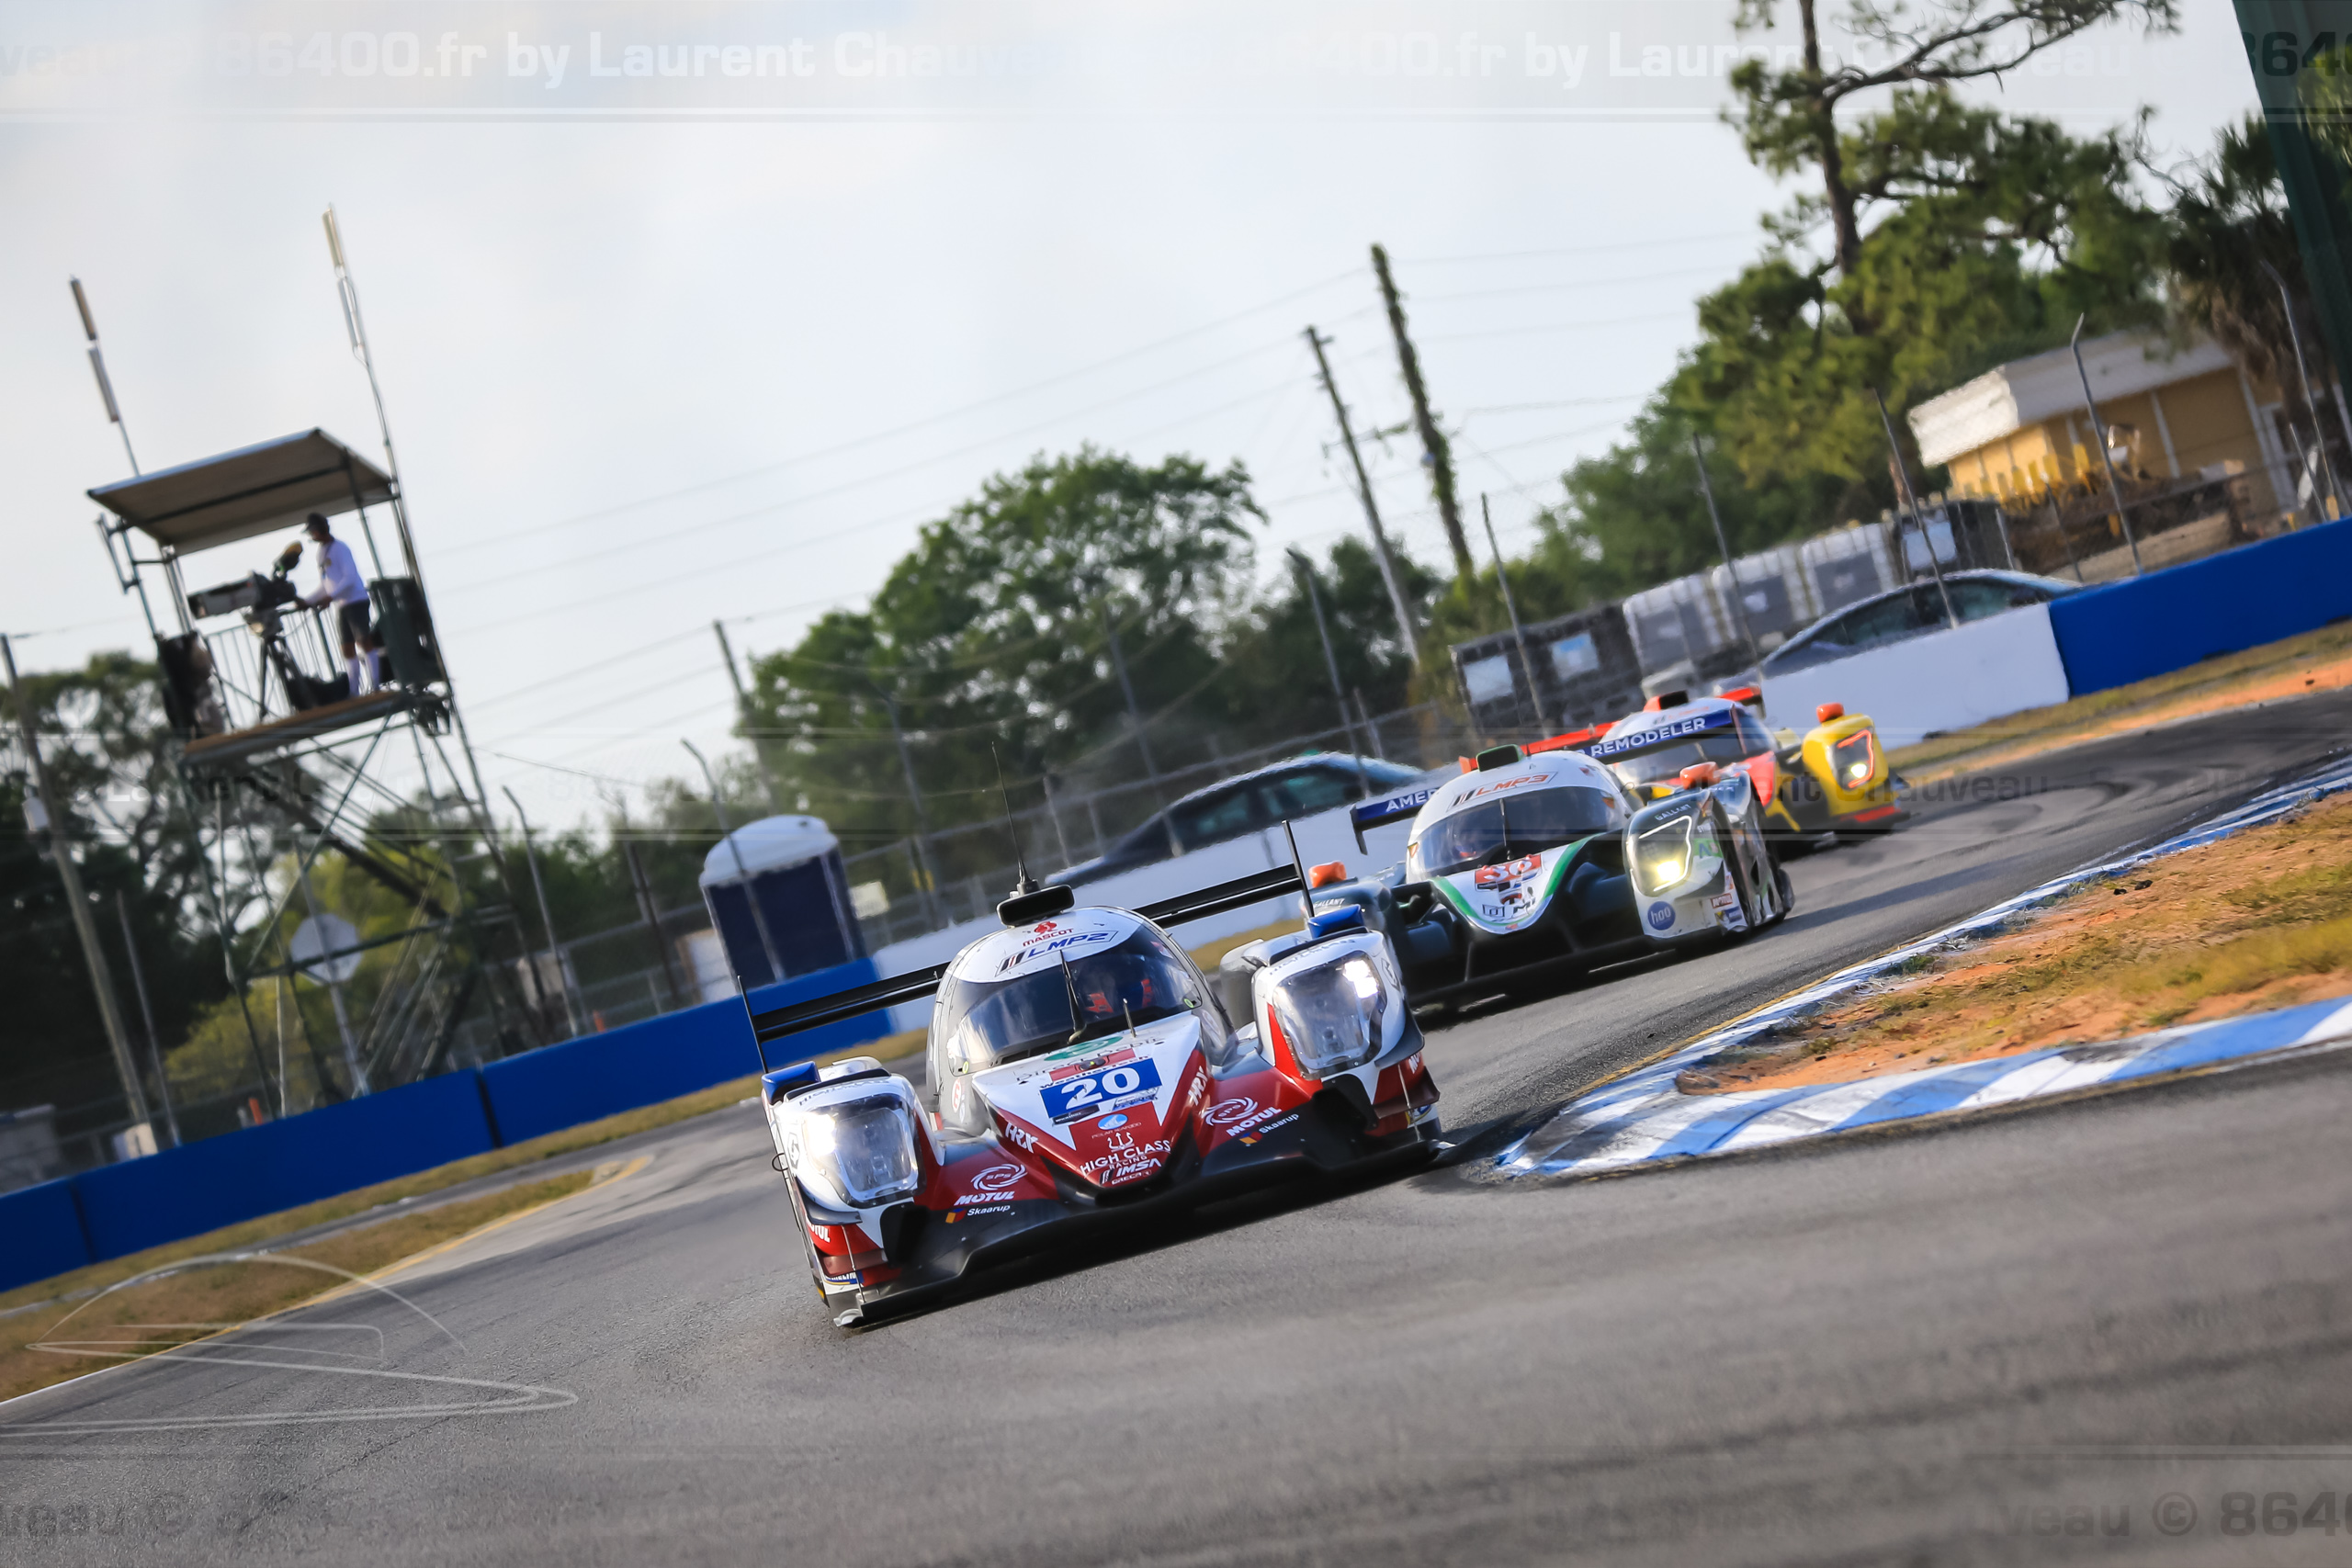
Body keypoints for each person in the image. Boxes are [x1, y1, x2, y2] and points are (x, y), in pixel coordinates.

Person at [299, 512, 385, 695]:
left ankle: (375, 686)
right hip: (342, 605)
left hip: (356, 600)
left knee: (364, 641)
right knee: (347, 648)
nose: (312, 535)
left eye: (313, 531)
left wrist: (331, 597)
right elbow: (326, 584)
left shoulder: (340, 548)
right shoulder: (321, 553)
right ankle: (354, 692)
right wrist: (308, 601)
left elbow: (349, 578)